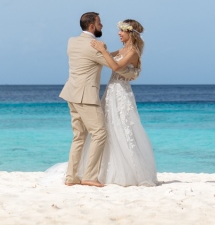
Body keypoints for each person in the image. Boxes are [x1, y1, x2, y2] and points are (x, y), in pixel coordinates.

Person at [86, 19, 158, 187]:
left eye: (121, 31)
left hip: (121, 92)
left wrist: (103, 50)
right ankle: (101, 170)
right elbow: (107, 60)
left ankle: (128, 172)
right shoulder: (123, 49)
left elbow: (116, 67)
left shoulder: (133, 51)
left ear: (129, 32)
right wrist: (97, 52)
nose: (119, 33)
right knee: (108, 126)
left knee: (122, 126)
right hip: (111, 90)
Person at [57, 11, 110, 187]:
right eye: (100, 23)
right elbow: (112, 64)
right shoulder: (94, 46)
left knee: (78, 137)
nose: (102, 25)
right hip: (85, 96)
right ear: (92, 26)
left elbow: (94, 58)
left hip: (71, 93)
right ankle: (90, 176)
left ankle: (71, 177)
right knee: (100, 134)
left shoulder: (71, 42)